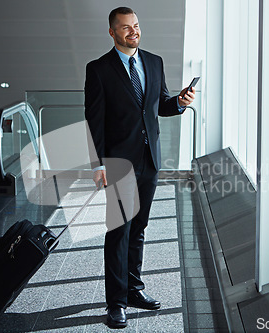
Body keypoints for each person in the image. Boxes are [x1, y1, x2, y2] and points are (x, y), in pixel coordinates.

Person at [84, 6, 195, 329]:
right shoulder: (99, 69)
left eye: (135, 25)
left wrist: (179, 102)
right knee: (119, 232)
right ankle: (116, 303)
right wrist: (98, 164)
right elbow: (94, 121)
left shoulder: (153, 62)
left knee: (139, 229)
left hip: (150, 161)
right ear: (112, 32)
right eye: (125, 27)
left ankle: (133, 290)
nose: (133, 31)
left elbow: (159, 105)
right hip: (117, 163)